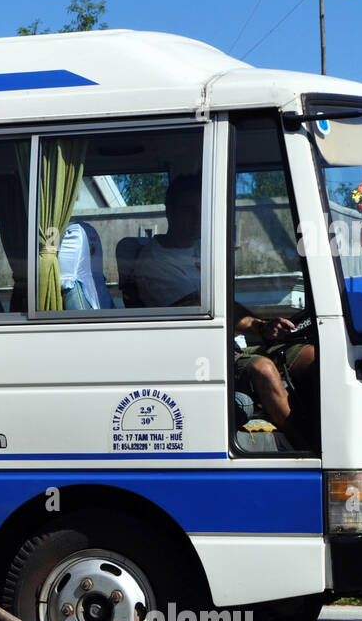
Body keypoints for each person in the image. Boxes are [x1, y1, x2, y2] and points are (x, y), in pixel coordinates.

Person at [135, 175, 316, 446]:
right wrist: (256, 326)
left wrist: (262, 326)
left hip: (231, 345)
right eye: (187, 211)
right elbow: (198, 305)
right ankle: (309, 451)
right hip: (199, 356)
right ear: (169, 211)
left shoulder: (201, 248)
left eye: (200, 212)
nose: (196, 220)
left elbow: (227, 303)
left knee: (313, 356)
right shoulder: (155, 261)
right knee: (264, 370)